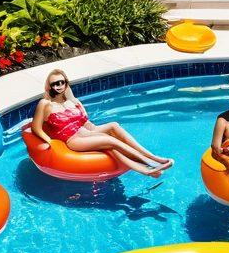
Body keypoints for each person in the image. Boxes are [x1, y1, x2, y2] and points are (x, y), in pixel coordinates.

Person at [30, 69, 172, 178]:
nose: (59, 86)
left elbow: (84, 120)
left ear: (66, 84)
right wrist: (50, 142)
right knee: (110, 141)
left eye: (62, 82)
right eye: (55, 83)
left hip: (86, 132)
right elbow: (35, 127)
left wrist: (76, 103)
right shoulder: (45, 104)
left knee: (114, 126)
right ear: (49, 86)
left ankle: (153, 159)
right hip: (73, 140)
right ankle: (150, 164)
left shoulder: (69, 102)